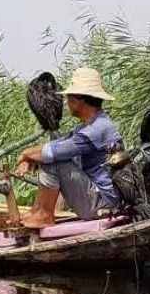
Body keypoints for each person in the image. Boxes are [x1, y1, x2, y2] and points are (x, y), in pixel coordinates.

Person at [14, 67, 122, 229]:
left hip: (104, 204)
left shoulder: (97, 129)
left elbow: (53, 152)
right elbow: (57, 145)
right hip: (99, 198)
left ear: (80, 100)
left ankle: (44, 215)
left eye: (69, 97)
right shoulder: (87, 127)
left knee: (55, 160)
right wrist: (30, 159)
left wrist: (25, 154)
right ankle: (38, 211)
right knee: (51, 156)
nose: (66, 102)